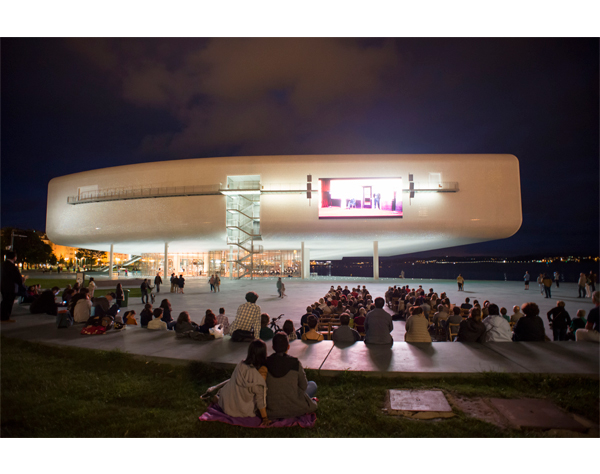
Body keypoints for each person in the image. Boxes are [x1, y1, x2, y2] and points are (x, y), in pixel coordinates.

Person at [265, 332, 318, 419]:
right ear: (288, 347)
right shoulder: (295, 363)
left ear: (273, 347)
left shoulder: (265, 363)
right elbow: (304, 386)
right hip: (295, 407)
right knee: (312, 385)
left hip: (272, 409)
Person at [216, 339, 270, 425]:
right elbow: (260, 400)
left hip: (227, 405)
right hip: (244, 411)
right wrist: (265, 418)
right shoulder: (258, 378)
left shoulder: (240, 365)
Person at [1, 251, 27, 322]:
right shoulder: (12, 266)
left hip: (3, 286)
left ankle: (2, 316)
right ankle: (5, 317)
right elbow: (17, 278)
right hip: (11, 287)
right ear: (14, 257)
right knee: (8, 303)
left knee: (4, 301)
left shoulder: (3, 265)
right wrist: (22, 280)